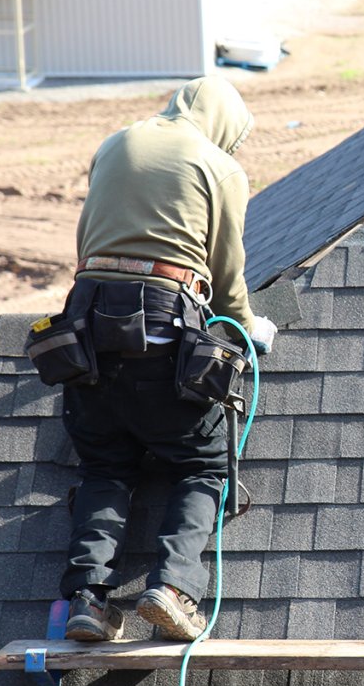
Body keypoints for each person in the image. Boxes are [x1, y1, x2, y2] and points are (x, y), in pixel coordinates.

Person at [50, 77, 276, 642]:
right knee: (201, 464)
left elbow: (86, 244)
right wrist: (250, 329)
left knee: (105, 465)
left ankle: (88, 601)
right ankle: (173, 589)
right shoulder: (217, 166)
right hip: (163, 321)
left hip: (86, 318)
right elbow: (226, 277)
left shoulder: (116, 143)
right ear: (226, 126)